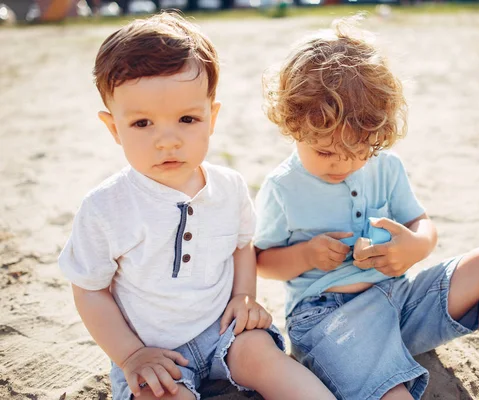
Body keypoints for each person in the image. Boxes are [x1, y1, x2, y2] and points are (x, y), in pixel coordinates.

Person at [254, 16, 479, 400]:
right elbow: (261, 260)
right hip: (329, 321)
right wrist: (306, 254)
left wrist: (415, 247)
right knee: (390, 391)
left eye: (357, 152)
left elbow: (421, 222)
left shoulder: (385, 166)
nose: (341, 163)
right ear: (293, 126)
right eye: (325, 151)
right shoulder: (283, 187)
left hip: (399, 303)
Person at [58, 12, 335, 400]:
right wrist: (131, 354)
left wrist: (243, 297)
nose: (167, 140)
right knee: (160, 392)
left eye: (187, 118)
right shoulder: (106, 207)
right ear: (113, 128)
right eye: (142, 124)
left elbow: (241, 245)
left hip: (224, 333)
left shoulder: (229, 186)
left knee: (267, 359)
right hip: (154, 354)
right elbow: (89, 289)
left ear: (212, 118)